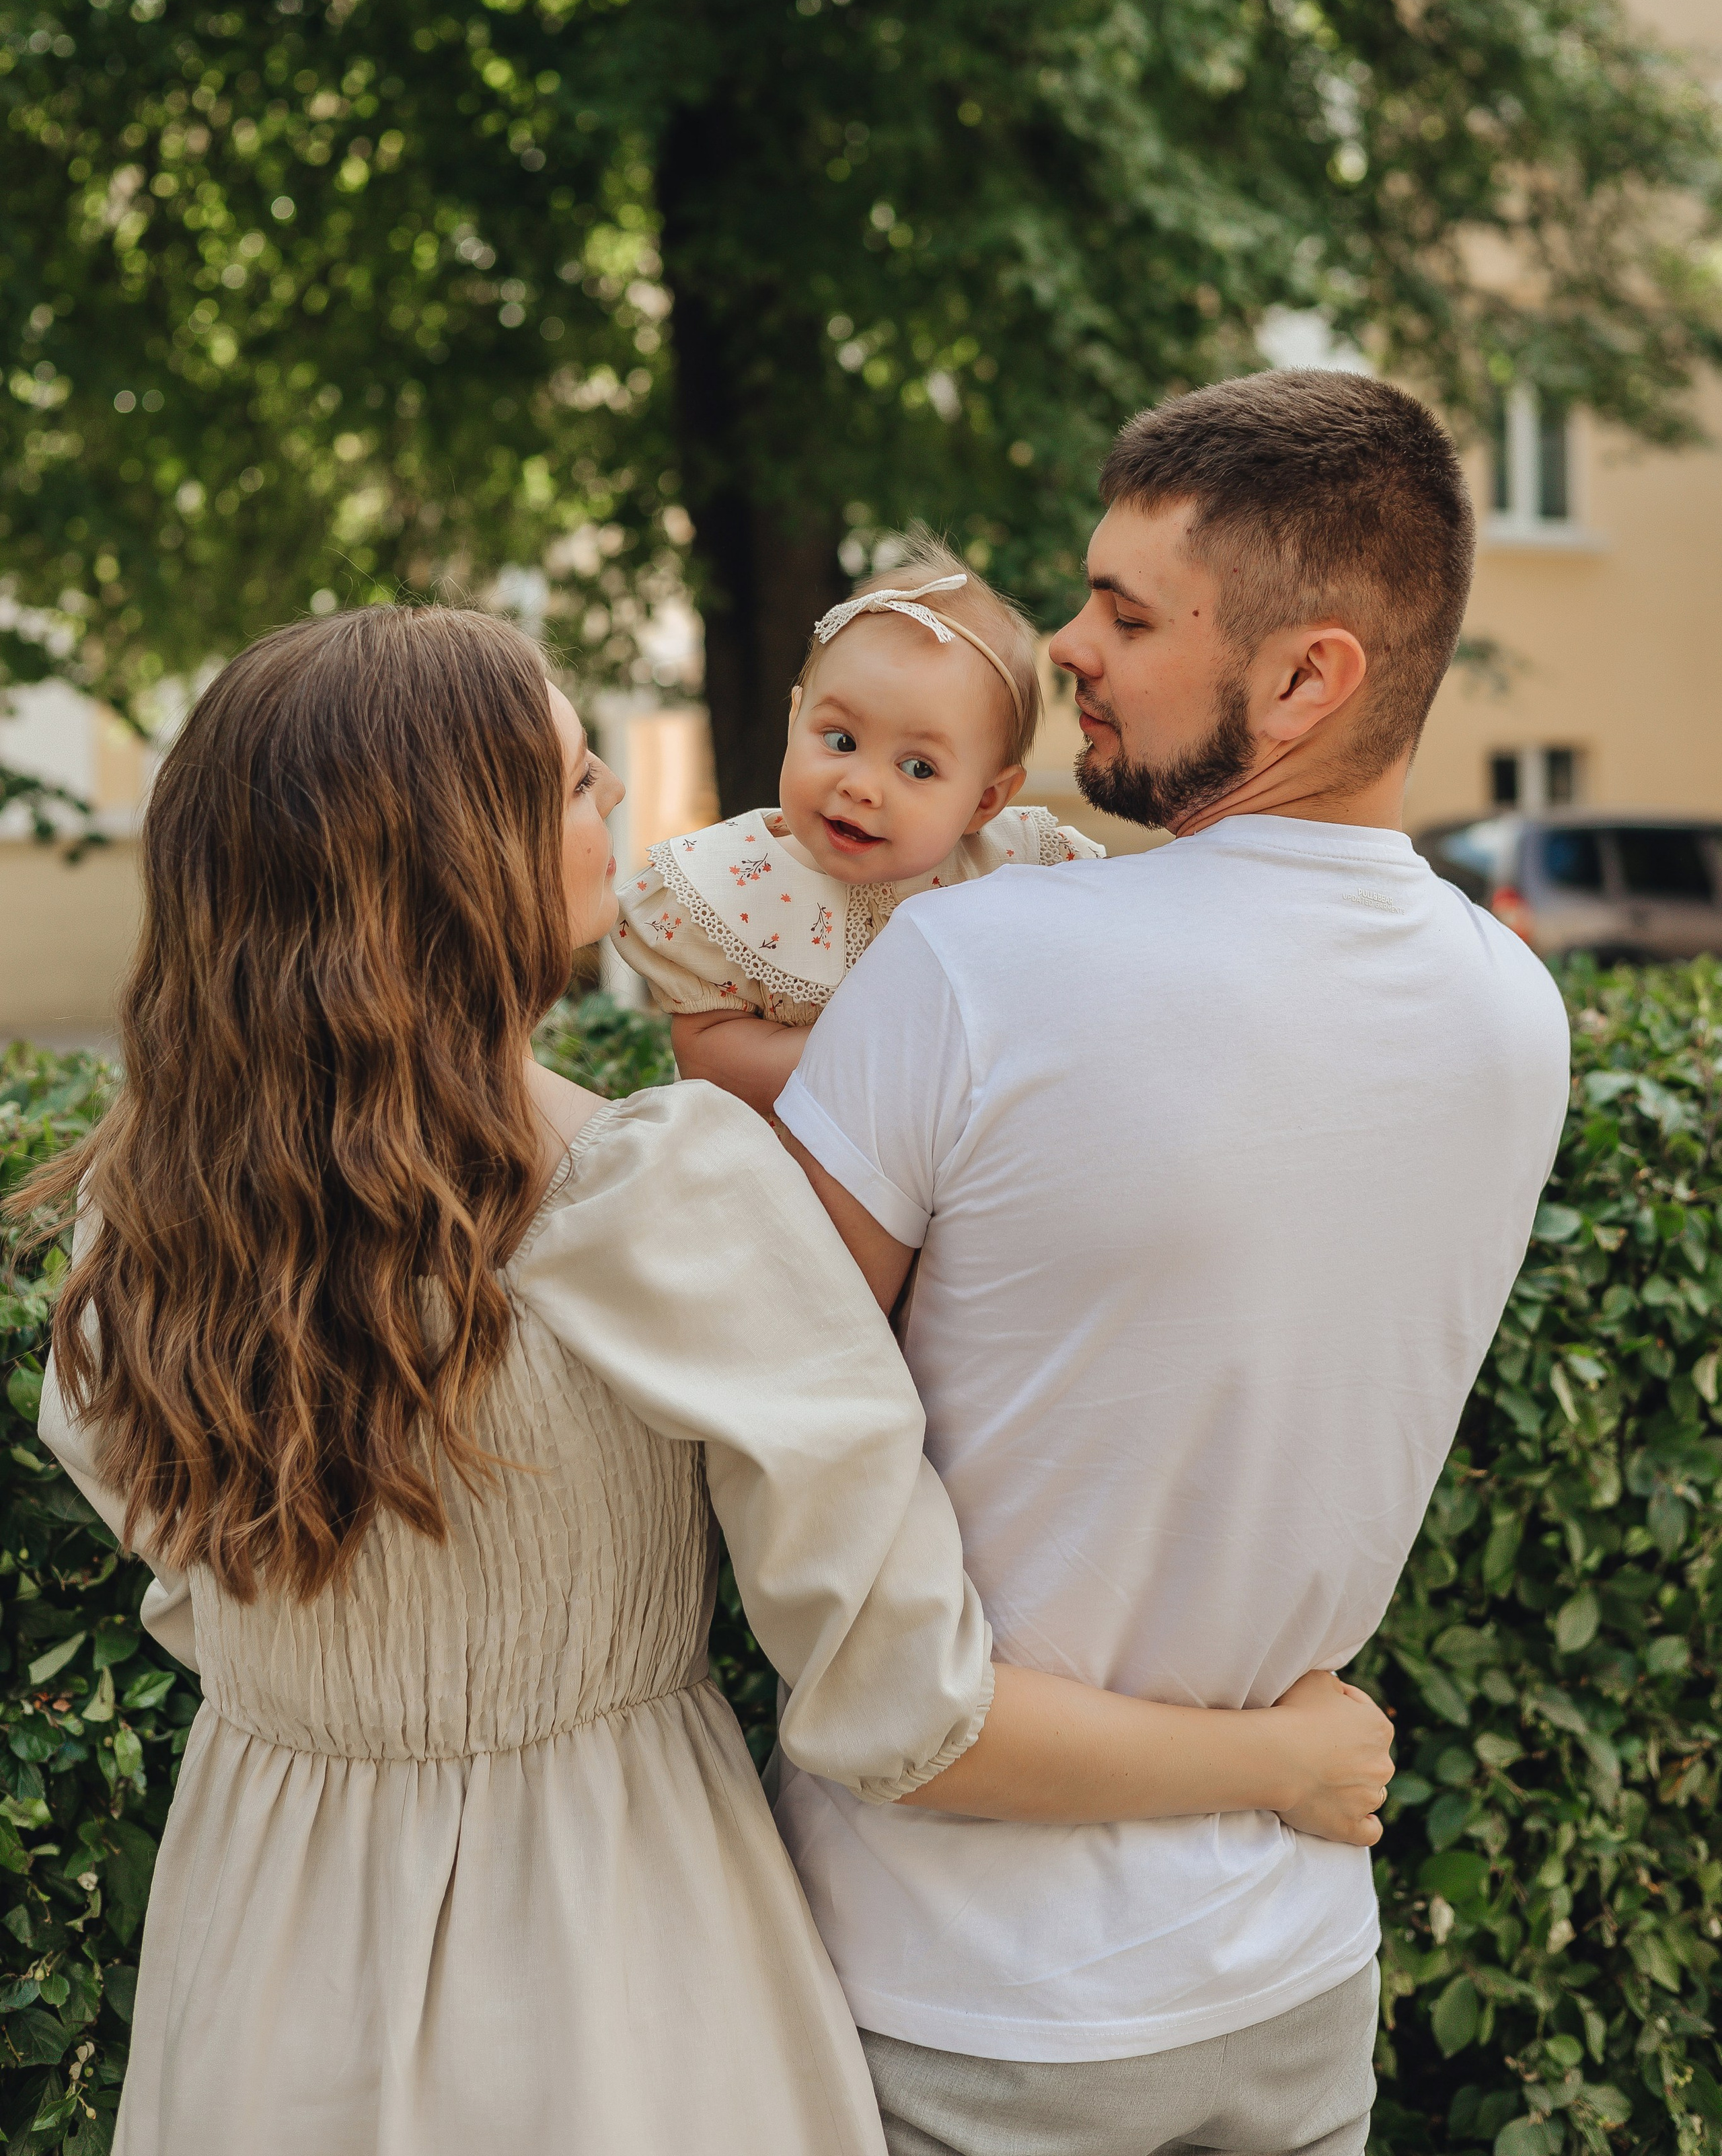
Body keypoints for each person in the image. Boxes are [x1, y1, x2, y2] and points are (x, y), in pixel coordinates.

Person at [25, 603, 1392, 2156]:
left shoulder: (134, 1233)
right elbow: (906, 1706)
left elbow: (192, 1596)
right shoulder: (654, 1193)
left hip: (263, 1943)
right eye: (570, 776)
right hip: (610, 1953)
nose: (614, 798)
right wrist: (1285, 1756)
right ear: (453, 857)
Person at [773, 369, 1574, 2156]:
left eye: (1128, 617)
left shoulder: (976, 970)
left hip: (958, 1992)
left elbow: (760, 1428)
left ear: (1308, 678)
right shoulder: (1518, 1017)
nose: (1063, 646)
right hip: (1292, 1980)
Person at [613, 533, 1101, 1118]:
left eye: (918, 768)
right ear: (796, 719)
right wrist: (896, 1064)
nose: (862, 787)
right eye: (841, 740)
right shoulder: (732, 886)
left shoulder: (1011, 873)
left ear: (985, 802)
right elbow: (710, 1058)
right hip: (792, 1177)